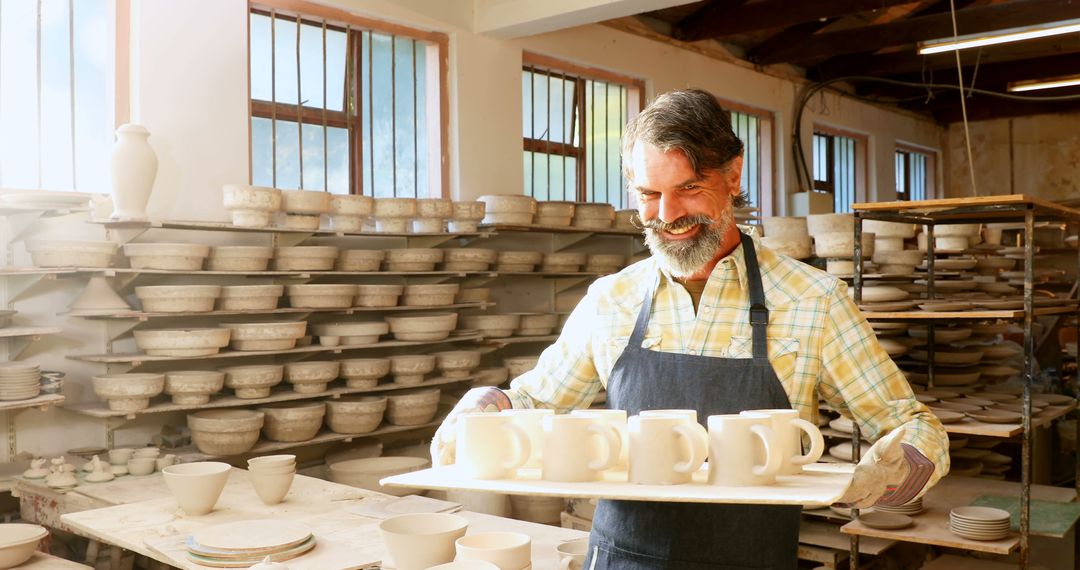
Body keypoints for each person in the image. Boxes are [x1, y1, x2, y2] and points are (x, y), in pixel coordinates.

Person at [431, 88, 949, 569]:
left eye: (689, 188)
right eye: (649, 194)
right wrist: (489, 406)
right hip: (623, 557)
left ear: (733, 176)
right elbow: (535, 402)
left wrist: (901, 464)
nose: (668, 214)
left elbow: (911, 422)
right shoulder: (612, 300)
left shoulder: (814, 301)